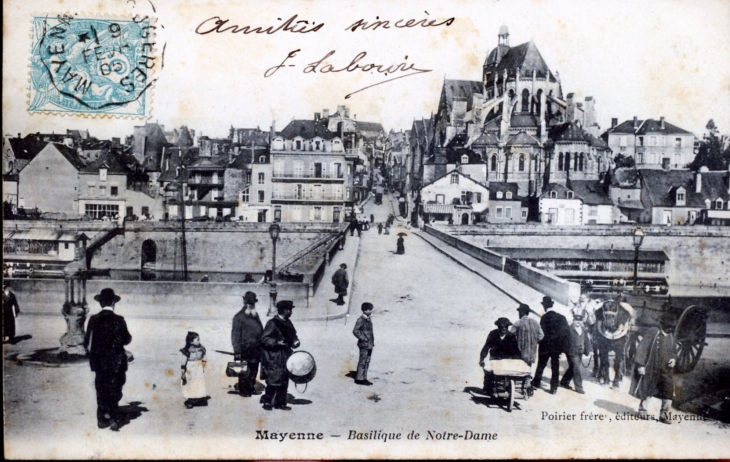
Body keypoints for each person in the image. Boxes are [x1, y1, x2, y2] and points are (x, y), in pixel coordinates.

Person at [84, 288, 132, 431]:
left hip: (99, 361)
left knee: (101, 387)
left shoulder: (93, 319)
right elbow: (126, 339)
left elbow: (87, 341)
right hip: (116, 360)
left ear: (100, 303)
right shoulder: (119, 320)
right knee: (116, 386)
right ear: (113, 303)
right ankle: (112, 415)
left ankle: (102, 419)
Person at [630, 314, 678, 424]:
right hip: (652, 366)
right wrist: (641, 365)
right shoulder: (653, 332)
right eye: (668, 326)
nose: (670, 328)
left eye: (672, 327)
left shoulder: (671, 336)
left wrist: (673, 359)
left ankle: (664, 414)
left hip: (666, 368)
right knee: (648, 387)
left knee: (668, 389)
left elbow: (674, 351)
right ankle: (643, 410)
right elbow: (642, 348)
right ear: (663, 324)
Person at [261, 300, 300, 411]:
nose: (291, 312)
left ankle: (280, 403)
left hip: (286, 355)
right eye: (289, 310)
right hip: (275, 356)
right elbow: (264, 339)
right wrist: (276, 343)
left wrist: (296, 341)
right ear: (283, 310)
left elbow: (294, 336)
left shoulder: (288, 322)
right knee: (273, 380)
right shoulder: (272, 323)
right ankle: (267, 402)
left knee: (284, 379)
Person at [531, 296, 571, 394]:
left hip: (545, 346)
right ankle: (554, 388)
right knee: (555, 366)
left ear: (544, 306)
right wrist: (562, 348)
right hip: (556, 347)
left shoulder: (544, 317)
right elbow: (566, 333)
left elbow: (542, 333)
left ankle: (536, 382)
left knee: (541, 364)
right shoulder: (562, 317)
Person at [231, 291, 264, 397]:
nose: (251, 305)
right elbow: (235, 335)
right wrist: (237, 351)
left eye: (253, 303)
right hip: (244, 349)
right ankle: (244, 390)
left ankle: (251, 386)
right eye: (249, 303)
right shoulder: (238, 317)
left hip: (256, 349)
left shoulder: (256, 315)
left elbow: (261, 330)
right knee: (244, 370)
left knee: (254, 369)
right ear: (244, 302)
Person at [479, 317, 521, 395]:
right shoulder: (493, 334)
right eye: (501, 327)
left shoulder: (511, 336)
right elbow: (486, 347)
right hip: (494, 358)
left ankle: (506, 388)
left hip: (507, 360)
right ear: (498, 327)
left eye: (506, 327)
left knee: (507, 375)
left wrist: (517, 361)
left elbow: (516, 350)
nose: (503, 329)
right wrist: (482, 358)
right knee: (489, 372)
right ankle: (487, 388)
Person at [559, 312, 590, 394]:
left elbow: (586, 341)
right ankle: (579, 387)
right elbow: (563, 341)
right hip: (571, 352)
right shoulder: (568, 329)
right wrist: (561, 351)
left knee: (573, 367)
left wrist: (590, 351)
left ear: (582, 322)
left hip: (580, 351)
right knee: (577, 369)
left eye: (580, 321)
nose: (578, 322)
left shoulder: (583, 330)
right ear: (573, 320)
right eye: (576, 320)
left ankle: (564, 381)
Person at [180, 331, 209, 409]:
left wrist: (203, 365)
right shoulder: (187, 350)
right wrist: (183, 372)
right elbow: (183, 362)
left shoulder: (202, 348)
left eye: (199, 339)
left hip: (199, 368)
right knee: (190, 383)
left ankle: (198, 398)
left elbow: (204, 358)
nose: (199, 341)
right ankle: (190, 400)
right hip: (190, 369)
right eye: (197, 340)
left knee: (199, 383)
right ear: (191, 341)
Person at [510, 304, 544, 368]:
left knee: (520, 369)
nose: (518, 314)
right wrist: (534, 340)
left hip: (520, 351)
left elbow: (510, 335)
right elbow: (541, 335)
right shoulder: (535, 322)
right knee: (528, 368)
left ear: (522, 312)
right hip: (531, 352)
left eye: (519, 312)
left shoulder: (518, 322)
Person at [353, 303, 375, 386]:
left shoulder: (368, 318)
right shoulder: (361, 319)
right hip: (364, 344)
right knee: (363, 361)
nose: (371, 311)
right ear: (365, 310)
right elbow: (355, 331)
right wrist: (364, 338)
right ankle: (359, 379)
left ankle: (364, 378)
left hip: (369, 344)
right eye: (370, 309)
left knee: (367, 361)